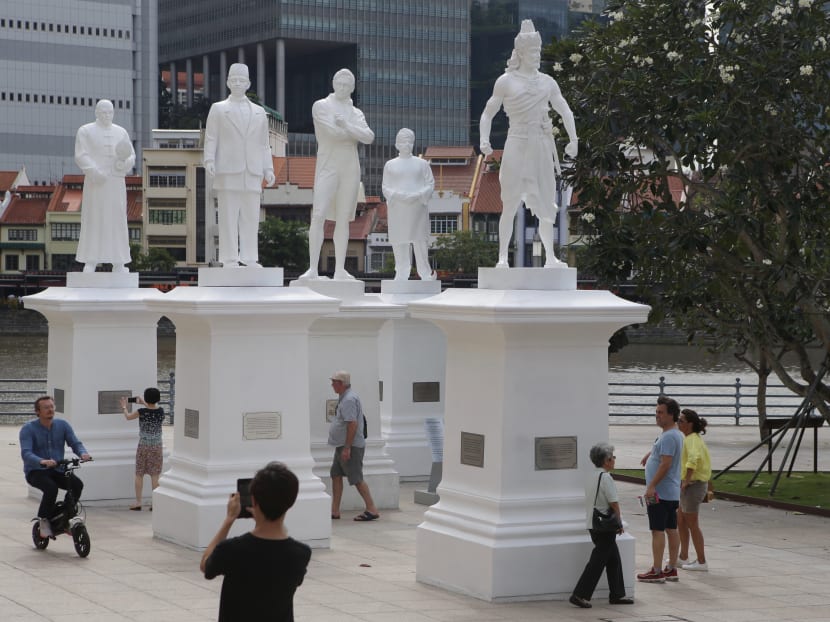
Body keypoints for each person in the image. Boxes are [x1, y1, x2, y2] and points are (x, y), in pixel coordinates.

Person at [479, 19, 578, 269]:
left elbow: (565, 110)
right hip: (517, 142)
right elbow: (488, 112)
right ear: (521, 53)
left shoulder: (547, 82)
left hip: (542, 145)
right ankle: (502, 257)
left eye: (538, 52)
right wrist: (484, 138)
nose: (537, 56)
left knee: (547, 205)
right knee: (510, 202)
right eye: (532, 52)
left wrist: (574, 140)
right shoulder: (505, 81)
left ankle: (551, 257)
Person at [201, 461, 311, 622]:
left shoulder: (232, 549)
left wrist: (229, 520)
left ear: (253, 501)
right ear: (291, 502)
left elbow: (206, 565)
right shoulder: (300, 554)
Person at [301, 69, 375, 280]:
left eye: (347, 85)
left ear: (352, 88)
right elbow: (332, 134)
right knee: (318, 215)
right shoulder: (321, 106)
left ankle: (340, 270)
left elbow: (369, 137)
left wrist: (347, 126)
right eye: (339, 83)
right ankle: (313, 269)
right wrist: (352, 133)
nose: (342, 88)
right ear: (333, 83)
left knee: (343, 219)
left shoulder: (356, 113)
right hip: (328, 164)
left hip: (350, 167)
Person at [204, 63, 276, 268]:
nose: (237, 84)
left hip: (252, 171)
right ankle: (229, 258)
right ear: (227, 82)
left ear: (248, 84)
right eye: (233, 80)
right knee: (227, 216)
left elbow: (264, 144)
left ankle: (249, 256)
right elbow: (211, 138)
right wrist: (209, 159)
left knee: (251, 217)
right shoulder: (218, 109)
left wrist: (268, 168)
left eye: (241, 81)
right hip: (227, 169)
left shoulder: (259, 112)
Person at [570, 443, 634, 609]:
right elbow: (614, 503)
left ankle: (617, 594)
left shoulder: (591, 476)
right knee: (597, 562)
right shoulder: (605, 477)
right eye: (612, 457)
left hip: (593, 524)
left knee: (613, 559)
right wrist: (619, 522)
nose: (614, 460)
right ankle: (580, 594)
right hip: (604, 526)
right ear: (606, 461)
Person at [74, 99, 135, 273]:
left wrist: (125, 164)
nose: (107, 115)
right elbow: (81, 155)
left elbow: (131, 154)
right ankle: (91, 261)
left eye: (110, 112)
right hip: (96, 184)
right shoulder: (85, 131)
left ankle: (119, 261)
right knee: (94, 219)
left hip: (116, 183)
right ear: (96, 112)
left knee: (117, 221)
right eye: (103, 112)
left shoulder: (121, 132)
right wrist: (94, 172)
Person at [19, 396, 91, 538]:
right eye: (46, 407)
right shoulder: (28, 429)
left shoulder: (63, 425)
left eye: (52, 406)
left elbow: (75, 443)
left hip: (58, 469)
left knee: (77, 485)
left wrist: (83, 453)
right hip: (36, 471)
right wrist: (42, 461)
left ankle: (65, 517)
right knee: (51, 488)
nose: (50, 410)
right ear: (37, 411)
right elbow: (26, 453)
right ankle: (43, 521)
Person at [637, 395, 684, 583]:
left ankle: (656, 570)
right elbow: (664, 454)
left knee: (657, 530)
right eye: (656, 412)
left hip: (660, 493)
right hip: (670, 491)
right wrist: (651, 453)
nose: (657, 416)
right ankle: (671, 568)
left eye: (661, 413)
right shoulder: (672, 434)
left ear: (672, 415)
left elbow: (665, 464)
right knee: (671, 528)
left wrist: (651, 486)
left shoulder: (669, 436)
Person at [382, 128, 436, 281]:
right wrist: (398, 196)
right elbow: (385, 187)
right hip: (398, 207)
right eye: (403, 141)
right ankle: (401, 272)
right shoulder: (390, 165)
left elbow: (430, 184)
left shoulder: (422, 164)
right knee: (400, 241)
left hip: (417, 207)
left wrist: (418, 195)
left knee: (420, 241)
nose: (406, 144)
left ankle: (425, 273)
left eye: (409, 141)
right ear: (397, 144)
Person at [328, 370, 379, 521]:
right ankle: (334, 511)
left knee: (356, 478)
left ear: (341, 384)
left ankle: (372, 509)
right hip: (342, 445)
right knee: (335, 474)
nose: (332, 385)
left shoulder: (349, 399)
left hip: (350, 447)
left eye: (334, 382)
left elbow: (352, 424)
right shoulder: (345, 398)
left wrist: (347, 447)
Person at [677, 408, 713, 571]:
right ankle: (683, 555)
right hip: (692, 485)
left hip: (693, 485)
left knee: (692, 523)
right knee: (681, 520)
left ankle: (701, 561)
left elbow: (693, 459)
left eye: (681, 421)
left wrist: (686, 480)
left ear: (690, 424)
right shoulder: (692, 438)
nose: (678, 423)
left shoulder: (692, 439)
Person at [120, 388, 165, 511]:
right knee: (155, 475)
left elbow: (128, 417)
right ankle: (155, 503)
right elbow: (152, 410)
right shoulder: (161, 411)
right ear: (159, 398)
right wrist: (144, 403)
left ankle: (138, 502)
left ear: (146, 398)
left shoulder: (141, 411)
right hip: (157, 446)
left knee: (139, 473)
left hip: (143, 446)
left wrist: (124, 407)